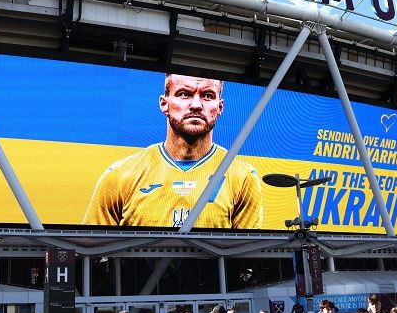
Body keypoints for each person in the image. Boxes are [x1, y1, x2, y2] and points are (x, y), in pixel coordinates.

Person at [82, 74, 262, 229]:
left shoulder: (243, 176)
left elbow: (248, 260)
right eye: (185, 94)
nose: (196, 105)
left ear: (220, 107)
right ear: (164, 104)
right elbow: (91, 255)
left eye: (207, 96)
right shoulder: (120, 175)